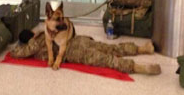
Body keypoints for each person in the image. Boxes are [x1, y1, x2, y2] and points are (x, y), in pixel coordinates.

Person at [11, 30, 162, 75]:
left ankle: (137, 68)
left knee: (106, 60)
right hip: (80, 40)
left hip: (75, 52)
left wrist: (20, 45)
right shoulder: (47, 32)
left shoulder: (34, 44)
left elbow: (17, 53)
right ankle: (143, 49)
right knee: (110, 48)